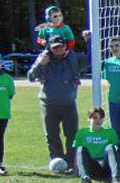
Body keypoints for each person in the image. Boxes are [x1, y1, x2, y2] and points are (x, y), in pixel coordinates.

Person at [27, 35, 80, 171]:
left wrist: (89, 40)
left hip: (68, 103)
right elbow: (31, 77)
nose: (58, 49)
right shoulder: (44, 59)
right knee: (52, 135)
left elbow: (91, 60)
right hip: (48, 104)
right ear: (50, 48)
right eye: (55, 47)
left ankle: (71, 161)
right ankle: (57, 160)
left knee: (72, 134)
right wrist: (41, 64)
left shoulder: (71, 59)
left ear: (65, 46)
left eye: (61, 46)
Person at [74, 107, 120, 183]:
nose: (98, 120)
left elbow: (116, 149)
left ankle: (116, 178)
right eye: (95, 117)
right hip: (91, 167)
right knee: (81, 149)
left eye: (101, 118)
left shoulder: (109, 131)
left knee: (110, 147)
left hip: (106, 166)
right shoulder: (82, 132)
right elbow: (77, 153)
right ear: (89, 119)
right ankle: (85, 180)